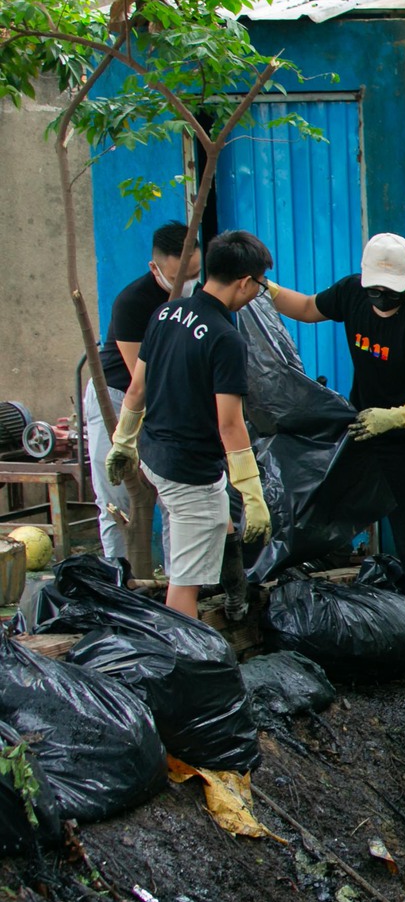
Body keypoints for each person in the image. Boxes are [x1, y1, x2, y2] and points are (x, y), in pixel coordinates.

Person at [265, 233, 405, 603]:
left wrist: (399, 417)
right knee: (325, 502)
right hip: (363, 425)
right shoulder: (351, 293)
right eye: (375, 290)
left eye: (392, 291)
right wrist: (264, 287)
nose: (382, 298)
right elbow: (305, 308)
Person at [104, 231, 272, 620]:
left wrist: (124, 441)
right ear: (245, 282)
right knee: (184, 584)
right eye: (259, 286)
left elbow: (136, 390)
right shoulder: (227, 339)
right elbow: (229, 425)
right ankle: (189, 664)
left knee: (218, 519)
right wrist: (252, 492)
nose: (258, 294)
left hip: (155, 455)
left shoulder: (165, 313)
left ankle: (235, 594)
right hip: (188, 471)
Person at [89, 220, 190, 568]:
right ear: (155, 268)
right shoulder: (133, 302)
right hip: (120, 395)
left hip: (172, 397)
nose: (185, 285)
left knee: (174, 496)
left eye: (193, 274)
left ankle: (179, 581)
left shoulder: (202, 300)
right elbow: (141, 380)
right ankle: (120, 579)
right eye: (178, 277)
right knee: (116, 496)